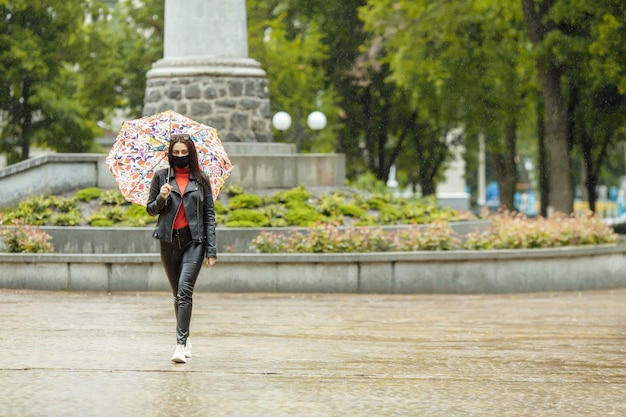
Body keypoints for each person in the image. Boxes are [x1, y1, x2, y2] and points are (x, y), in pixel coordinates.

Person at [147, 133, 217, 363]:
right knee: (178, 295)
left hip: (194, 241)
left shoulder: (201, 180)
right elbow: (151, 210)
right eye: (175, 153)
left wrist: (211, 249)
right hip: (168, 242)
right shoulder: (161, 178)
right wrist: (161, 197)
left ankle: (179, 345)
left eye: (183, 152)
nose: (179, 156)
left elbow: (209, 215)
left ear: (191, 153)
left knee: (185, 291)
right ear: (170, 154)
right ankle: (186, 338)